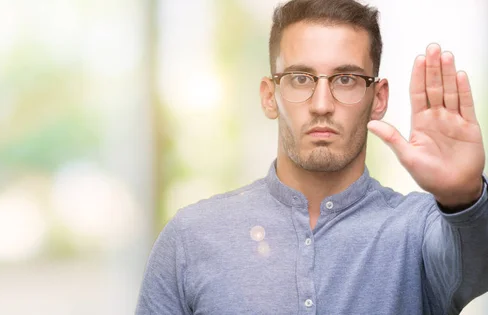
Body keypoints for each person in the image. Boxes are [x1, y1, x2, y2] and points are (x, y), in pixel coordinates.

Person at [135, 0, 488, 313]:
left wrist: (462, 196)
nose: (322, 105)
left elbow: (478, 261)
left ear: (378, 99)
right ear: (269, 96)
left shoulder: (421, 230)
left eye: (346, 79)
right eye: (301, 78)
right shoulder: (191, 237)